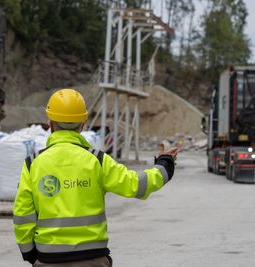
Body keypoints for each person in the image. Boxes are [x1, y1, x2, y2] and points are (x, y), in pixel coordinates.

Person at [13, 88, 178, 266]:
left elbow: (23, 214)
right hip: (93, 259)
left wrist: (29, 254)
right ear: (83, 124)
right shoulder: (97, 160)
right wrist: (164, 166)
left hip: (49, 259)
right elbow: (137, 185)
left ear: (50, 123)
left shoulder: (33, 164)